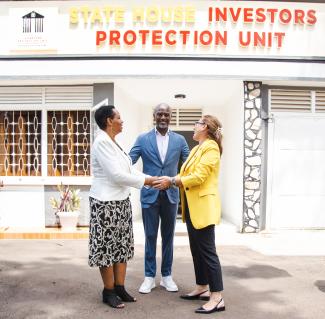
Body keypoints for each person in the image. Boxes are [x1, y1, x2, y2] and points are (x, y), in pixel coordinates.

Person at [154, 115, 225, 314]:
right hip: (193, 208)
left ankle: (217, 296)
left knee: (208, 252)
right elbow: (186, 174)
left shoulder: (211, 147)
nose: (194, 126)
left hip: (203, 207)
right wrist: (171, 178)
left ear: (206, 127)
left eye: (198, 123)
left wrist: (172, 181)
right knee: (197, 250)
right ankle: (202, 287)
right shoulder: (196, 148)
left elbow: (199, 176)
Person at [88, 104, 156, 309]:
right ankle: (108, 291)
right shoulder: (101, 142)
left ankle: (120, 287)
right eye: (119, 117)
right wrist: (148, 182)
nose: (122, 120)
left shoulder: (113, 142)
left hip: (120, 202)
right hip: (105, 203)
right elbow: (115, 175)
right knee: (106, 249)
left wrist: (150, 179)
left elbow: (129, 170)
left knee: (121, 247)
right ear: (109, 121)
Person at [129, 103, 189, 294]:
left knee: (168, 237)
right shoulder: (143, 139)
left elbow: (189, 166)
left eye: (166, 114)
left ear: (171, 117)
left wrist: (174, 181)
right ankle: (149, 277)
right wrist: (143, 180)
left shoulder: (180, 140)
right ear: (154, 116)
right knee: (150, 236)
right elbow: (127, 162)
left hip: (171, 195)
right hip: (149, 195)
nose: (163, 117)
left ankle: (166, 276)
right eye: (159, 114)